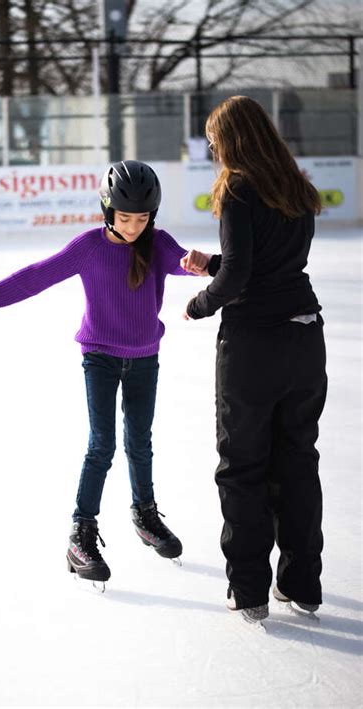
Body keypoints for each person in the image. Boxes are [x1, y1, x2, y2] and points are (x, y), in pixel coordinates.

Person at [0, 160, 207, 587]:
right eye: (125, 217)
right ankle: (81, 534)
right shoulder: (90, 246)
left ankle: (145, 514)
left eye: (142, 217)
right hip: (101, 358)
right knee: (102, 445)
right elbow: (39, 275)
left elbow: (186, 263)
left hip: (146, 357)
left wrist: (205, 263)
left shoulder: (159, 243)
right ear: (108, 210)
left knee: (140, 442)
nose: (133, 226)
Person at [181, 96, 327, 624]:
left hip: (254, 348)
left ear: (232, 139)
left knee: (243, 467)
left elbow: (242, 279)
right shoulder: (295, 184)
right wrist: (212, 264)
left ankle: (248, 591)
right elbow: (272, 265)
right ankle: (303, 585)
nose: (214, 151)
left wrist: (199, 304)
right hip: (305, 340)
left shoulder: (238, 185)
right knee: (296, 461)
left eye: (216, 141)